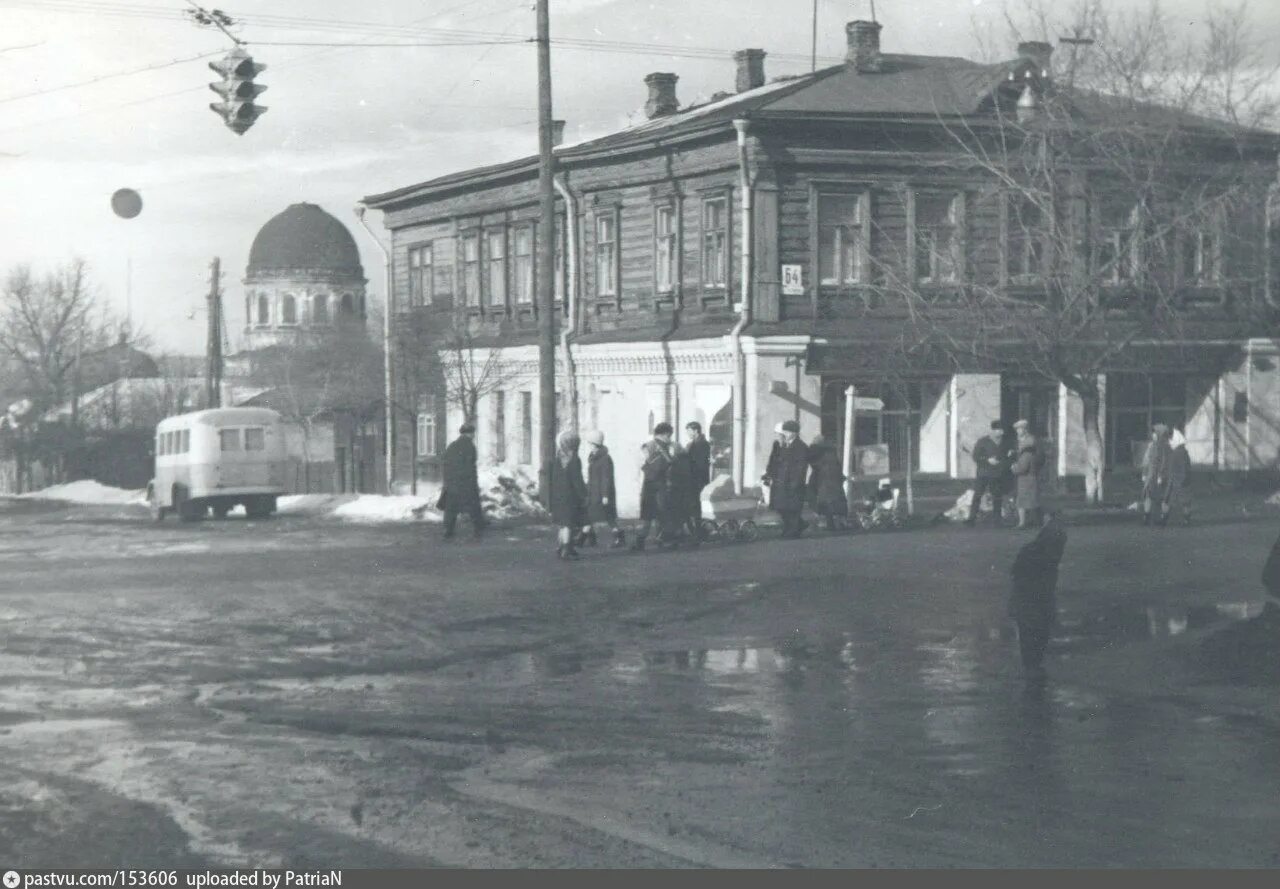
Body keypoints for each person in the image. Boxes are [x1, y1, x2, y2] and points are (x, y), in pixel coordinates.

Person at [1008, 514, 1068, 681]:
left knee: (1033, 638)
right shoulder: (1046, 555)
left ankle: (1032, 668)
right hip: (1031, 603)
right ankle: (1033, 668)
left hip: (1030, 603)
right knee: (1034, 637)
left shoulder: (1036, 550)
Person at [631, 422, 675, 552]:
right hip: (659, 484)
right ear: (665, 434)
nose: (670, 438)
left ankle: (640, 542)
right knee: (661, 514)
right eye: (669, 435)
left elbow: (641, 465)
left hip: (648, 484)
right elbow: (664, 465)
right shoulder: (661, 447)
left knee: (647, 515)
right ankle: (661, 539)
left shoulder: (647, 446)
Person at [439, 422, 484, 540]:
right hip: (465, 483)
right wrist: (474, 483)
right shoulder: (470, 446)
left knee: (450, 508)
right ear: (471, 434)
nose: (473, 435)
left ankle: (447, 530)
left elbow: (445, 463)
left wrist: (446, 481)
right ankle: (478, 530)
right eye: (473, 433)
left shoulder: (452, 445)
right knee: (474, 507)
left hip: (451, 483)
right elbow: (470, 466)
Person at [582, 430, 625, 548]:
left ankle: (619, 537)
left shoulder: (605, 459)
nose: (589, 446)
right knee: (590, 515)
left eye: (590, 444)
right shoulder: (593, 457)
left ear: (596, 444)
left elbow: (606, 478)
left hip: (601, 493)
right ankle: (587, 537)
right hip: (593, 491)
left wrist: (605, 495)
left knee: (608, 517)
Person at [549, 430, 587, 560]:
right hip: (570, 497)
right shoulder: (574, 459)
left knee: (562, 524)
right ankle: (566, 549)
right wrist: (583, 494)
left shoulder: (558, 458)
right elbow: (577, 480)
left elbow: (553, 478)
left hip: (558, 495)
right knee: (569, 524)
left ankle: (562, 547)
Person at [968, 421, 1010, 527]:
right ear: (992, 430)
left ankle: (997, 520)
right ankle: (971, 518)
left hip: (997, 474)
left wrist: (1005, 460)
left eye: (1002, 430)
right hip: (983, 474)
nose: (1001, 432)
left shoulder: (1005, 442)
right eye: (999, 430)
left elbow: (1008, 456)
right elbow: (975, 457)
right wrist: (987, 460)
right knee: (977, 495)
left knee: (997, 496)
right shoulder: (983, 441)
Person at [773, 420, 810, 538]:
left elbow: (801, 467)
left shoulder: (801, 446)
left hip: (794, 483)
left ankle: (792, 531)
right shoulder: (785, 445)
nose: (784, 433)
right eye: (784, 431)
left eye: (787, 431)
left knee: (793, 509)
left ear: (794, 433)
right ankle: (798, 525)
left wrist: (796, 482)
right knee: (782, 507)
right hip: (782, 482)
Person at [806, 433, 847, 531]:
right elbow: (836, 467)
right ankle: (835, 522)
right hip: (830, 480)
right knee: (832, 501)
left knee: (823, 501)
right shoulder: (830, 453)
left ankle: (828, 522)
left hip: (822, 479)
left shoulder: (816, 451)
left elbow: (812, 461)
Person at [1010, 419, 1041, 529]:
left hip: (1025, 477)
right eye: (1017, 429)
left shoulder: (1027, 449)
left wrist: (1013, 467)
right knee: (1031, 500)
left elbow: (1022, 467)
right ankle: (1033, 521)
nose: (1018, 431)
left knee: (1022, 501)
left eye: (1020, 429)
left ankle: (1022, 523)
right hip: (1031, 476)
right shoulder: (1029, 445)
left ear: (1025, 429)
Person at [1141, 423, 1172, 527]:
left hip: (1161, 476)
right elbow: (1146, 461)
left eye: (1155, 433)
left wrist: (1161, 475)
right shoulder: (1151, 446)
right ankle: (1146, 516)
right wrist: (1144, 473)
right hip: (1151, 474)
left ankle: (1163, 517)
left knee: (1163, 497)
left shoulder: (1166, 447)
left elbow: (1165, 462)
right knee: (1148, 494)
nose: (1153, 435)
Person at [666, 442, 697, 546]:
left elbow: (679, 476)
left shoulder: (679, 460)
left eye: (671, 450)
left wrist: (671, 482)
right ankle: (691, 537)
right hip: (682, 492)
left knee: (681, 516)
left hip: (680, 492)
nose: (670, 452)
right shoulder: (682, 459)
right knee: (685, 517)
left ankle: (681, 539)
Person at [685, 421, 712, 540]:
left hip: (697, 480)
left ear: (695, 430)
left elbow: (699, 464)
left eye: (689, 431)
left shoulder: (701, 444)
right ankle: (697, 530)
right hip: (695, 479)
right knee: (694, 506)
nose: (688, 433)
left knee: (695, 506)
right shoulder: (695, 444)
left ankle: (698, 532)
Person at [1162, 426, 1191, 527]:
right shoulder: (1182, 452)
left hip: (1177, 480)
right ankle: (1185, 520)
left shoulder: (1179, 452)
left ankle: (1164, 519)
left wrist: (1181, 479)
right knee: (1183, 501)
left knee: (1170, 500)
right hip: (1178, 480)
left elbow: (1182, 467)